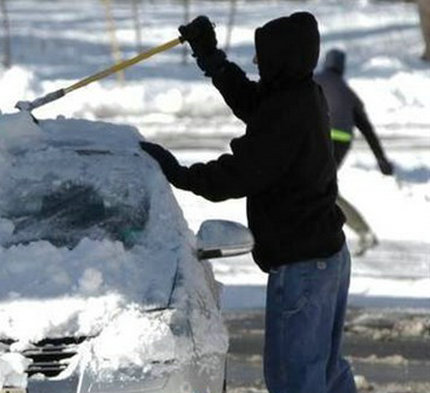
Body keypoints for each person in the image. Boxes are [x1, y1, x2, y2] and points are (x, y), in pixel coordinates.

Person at [140, 13, 357, 393]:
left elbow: (242, 172)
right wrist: (212, 59)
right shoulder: (301, 93)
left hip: (304, 266)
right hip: (327, 259)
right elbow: (254, 103)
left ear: (281, 59)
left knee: (295, 381)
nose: (258, 64)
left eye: (263, 58)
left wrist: (181, 174)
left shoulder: (289, 111)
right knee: (323, 374)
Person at [315, 49, 394, 256]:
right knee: (322, 188)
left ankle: (361, 232)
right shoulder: (348, 93)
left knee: (317, 188)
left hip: (320, 140)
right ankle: (359, 232)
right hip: (342, 143)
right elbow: (366, 128)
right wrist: (381, 158)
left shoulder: (315, 81)